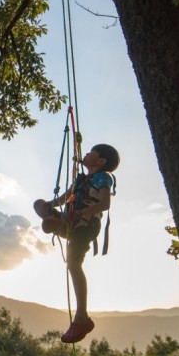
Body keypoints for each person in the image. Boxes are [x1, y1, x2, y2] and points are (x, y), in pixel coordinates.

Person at [33, 144, 119, 344]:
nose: (87, 154)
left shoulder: (102, 177)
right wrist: (49, 206)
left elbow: (105, 204)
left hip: (86, 224)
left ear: (101, 161)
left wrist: (79, 213)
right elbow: (65, 197)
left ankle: (82, 317)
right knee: (39, 203)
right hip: (70, 220)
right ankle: (54, 221)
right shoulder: (81, 179)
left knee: (73, 263)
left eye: (91, 152)